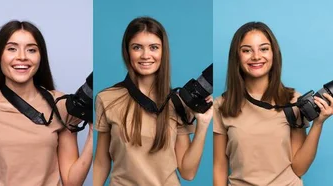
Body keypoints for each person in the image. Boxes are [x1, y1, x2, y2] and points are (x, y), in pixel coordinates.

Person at [93, 17, 212, 186]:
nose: (145, 55)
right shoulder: (107, 98)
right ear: (127, 52)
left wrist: (203, 125)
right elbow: (101, 162)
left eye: (154, 47)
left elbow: (188, 172)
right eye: (137, 47)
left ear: (163, 52)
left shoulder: (177, 103)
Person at [0, 20, 93, 186]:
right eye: (12, 48)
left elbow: (71, 182)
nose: (22, 56)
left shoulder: (61, 105)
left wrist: (94, 134)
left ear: (40, 57)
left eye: (31, 50)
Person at [213, 21, 332, 186]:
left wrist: (318, 123)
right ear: (237, 57)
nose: (256, 56)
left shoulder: (292, 101)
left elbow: (299, 168)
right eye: (247, 50)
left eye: (264, 49)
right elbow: (219, 166)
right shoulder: (221, 105)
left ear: (273, 53)